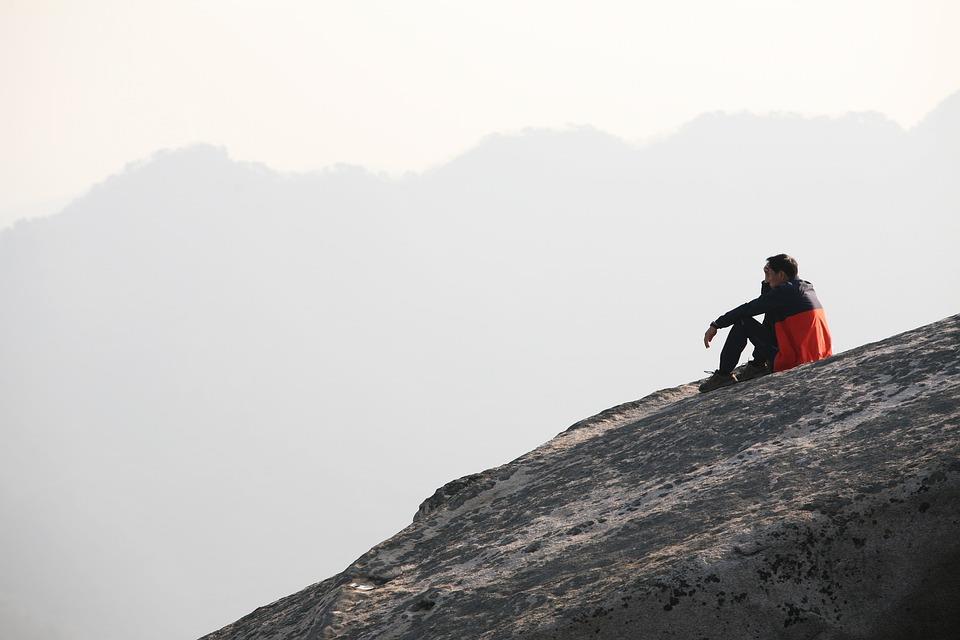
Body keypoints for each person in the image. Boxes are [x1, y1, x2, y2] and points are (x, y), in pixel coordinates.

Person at [699, 254, 832, 393]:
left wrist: (716, 324)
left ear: (781, 275)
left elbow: (749, 308)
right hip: (815, 356)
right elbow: (766, 303)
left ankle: (724, 375)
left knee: (743, 322)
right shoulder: (805, 287)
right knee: (772, 312)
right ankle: (757, 366)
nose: (767, 278)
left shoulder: (785, 292)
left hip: (795, 361)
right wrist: (767, 281)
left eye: (769, 273)